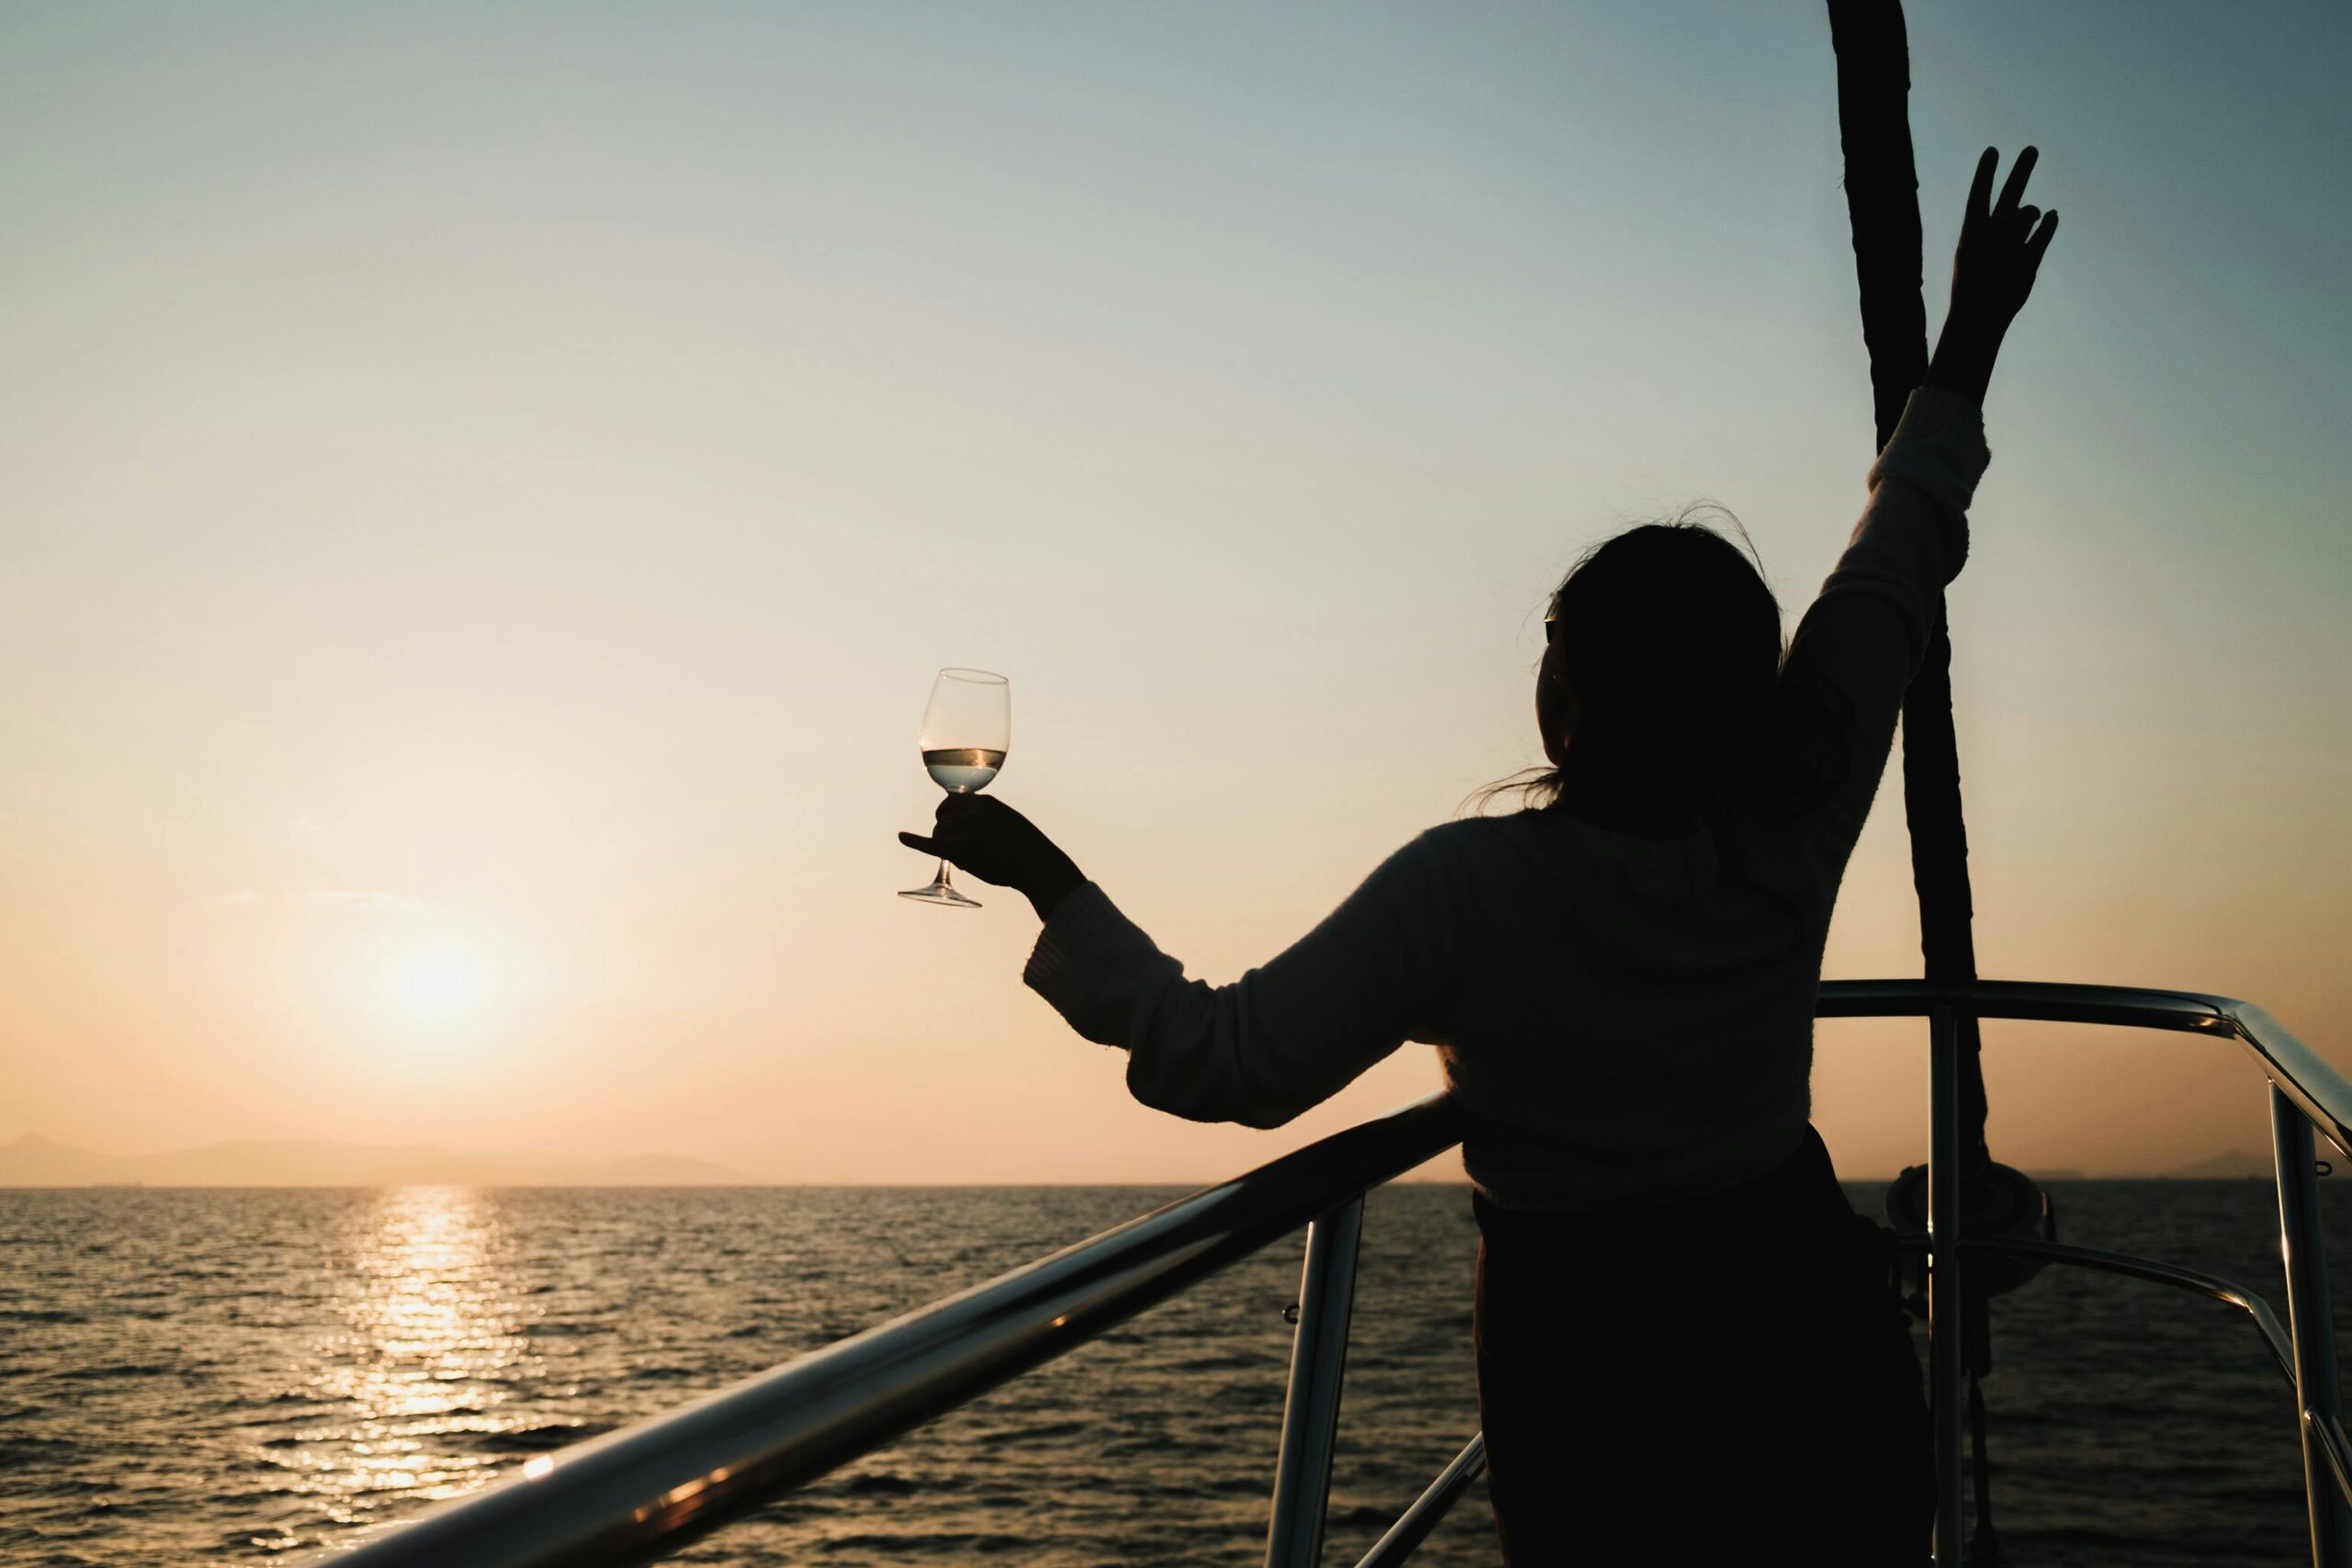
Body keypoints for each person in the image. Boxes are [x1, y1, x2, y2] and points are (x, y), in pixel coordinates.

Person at [899, 146, 2058, 1563]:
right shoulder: (1792, 810)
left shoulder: (1470, 891)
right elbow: (1900, 552)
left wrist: (1054, 882)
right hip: (1813, 1349)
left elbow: (1228, 1063)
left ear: (1570, 700)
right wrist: (1969, 347)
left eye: (1556, 650)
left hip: (1601, 1390)